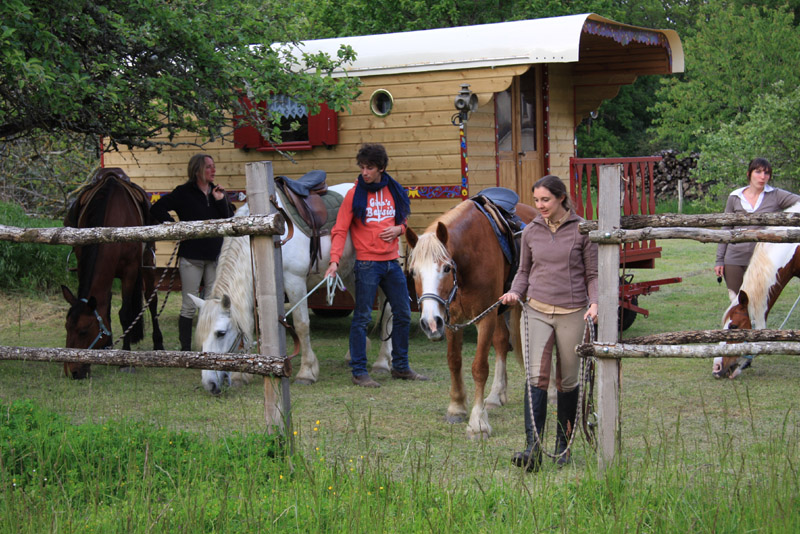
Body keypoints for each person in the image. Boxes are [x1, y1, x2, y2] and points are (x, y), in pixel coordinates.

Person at [499, 175, 598, 472]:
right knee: (535, 378)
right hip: (537, 310)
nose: (540, 205)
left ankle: (563, 446)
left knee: (567, 380)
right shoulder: (530, 232)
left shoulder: (582, 230)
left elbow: (593, 274)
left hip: (573, 311)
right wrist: (515, 292)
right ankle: (533, 448)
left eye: (546, 200)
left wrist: (594, 303)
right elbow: (524, 271)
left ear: (561, 198)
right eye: (537, 200)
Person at [324, 143, 427, 387]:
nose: (364, 172)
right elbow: (340, 229)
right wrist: (334, 261)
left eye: (369, 167)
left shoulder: (394, 190)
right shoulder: (354, 194)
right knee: (361, 318)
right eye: (362, 167)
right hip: (368, 264)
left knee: (403, 314)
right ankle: (359, 371)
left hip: (392, 263)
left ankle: (400, 366)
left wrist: (399, 229)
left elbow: (403, 220)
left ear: (381, 168)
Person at [150, 153, 235, 351]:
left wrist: (221, 200)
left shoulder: (218, 192)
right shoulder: (183, 192)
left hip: (214, 257)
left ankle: (209, 344)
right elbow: (158, 208)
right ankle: (186, 350)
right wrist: (175, 229)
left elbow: (230, 218)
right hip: (191, 257)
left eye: (214, 166)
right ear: (197, 170)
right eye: (208, 167)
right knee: (189, 304)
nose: (213, 170)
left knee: (213, 303)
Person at [715, 157, 800, 302]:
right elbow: (726, 228)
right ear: (749, 174)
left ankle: (757, 325)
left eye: (766, 173)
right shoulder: (734, 197)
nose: (762, 177)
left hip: (761, 260)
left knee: (757, 302)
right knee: (736, 302)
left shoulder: (776, 195)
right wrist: (719, 260)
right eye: (758, 172)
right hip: (734, 258)